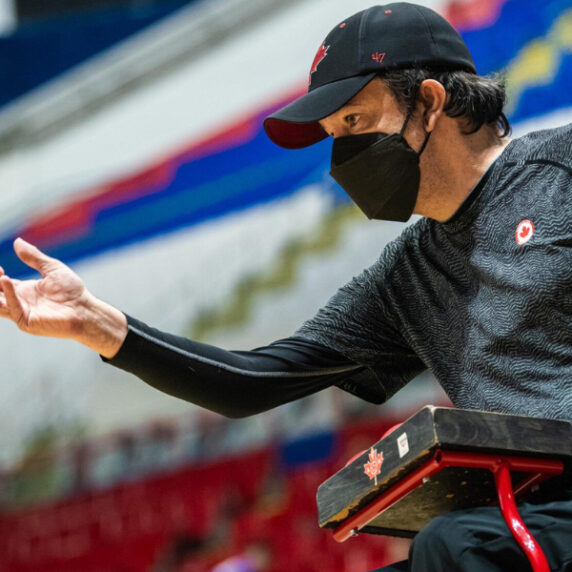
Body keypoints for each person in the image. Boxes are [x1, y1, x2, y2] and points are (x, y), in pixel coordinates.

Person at [0, 2, 571, 570]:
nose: (342, 156)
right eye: (332, 135)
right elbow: (251, 382)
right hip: (526, 517)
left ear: (428, 101)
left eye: (353, 122)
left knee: (452, 546)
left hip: (532, 520)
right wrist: (92, 324)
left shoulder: (559, 171)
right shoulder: (406, 276)